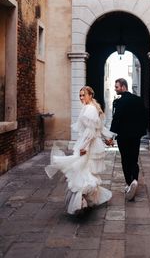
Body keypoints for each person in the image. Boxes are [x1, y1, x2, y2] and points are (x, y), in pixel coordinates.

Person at [45, 86, 114, 215]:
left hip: (88, 145)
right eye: (80, 95)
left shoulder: (89, 109)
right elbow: (100, 128)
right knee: (85, 171)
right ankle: (85, 200)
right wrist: (108, 138)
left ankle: (81, 200)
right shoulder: (93, 108)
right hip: (91, 144)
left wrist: (84, 147)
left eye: (84, 95)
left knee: (82, 171)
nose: (82, 98)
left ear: (90, 95)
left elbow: (91, 131)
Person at [109, 78, 147, 201]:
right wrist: (141, 132)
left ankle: (129, 183)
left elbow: (116, 119)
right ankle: (134, 180)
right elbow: (145, 117)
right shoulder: (139, 100)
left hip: (123, 137)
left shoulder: (119, 102)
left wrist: (111, 135)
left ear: (124, 87)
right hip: (135, 136)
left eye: (117, 87)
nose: (115, 89)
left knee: (125, 160)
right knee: (134, 159)